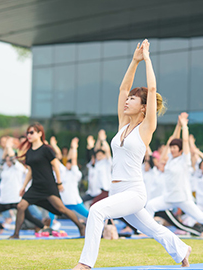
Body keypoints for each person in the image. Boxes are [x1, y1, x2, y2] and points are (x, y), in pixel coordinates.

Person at [73, 39, 191, 270]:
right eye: (128, 100)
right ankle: (181, 249)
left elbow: (153, 89)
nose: (127, 101)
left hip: (134, 191)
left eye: (133, 100)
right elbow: (122, 89)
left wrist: (147, 59)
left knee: (96, 210)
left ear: (144, 107)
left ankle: (85, 265)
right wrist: (134, 61)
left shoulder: (146, 128)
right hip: (117, 189)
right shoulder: (123, 126)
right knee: (151, 228)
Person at [145, 113, 203, 239]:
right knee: (150, 206)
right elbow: (172, 139)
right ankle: (149, 231)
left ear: (180, 150)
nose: (173, 149)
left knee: (200, 217)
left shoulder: (184, 160)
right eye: (172, 148)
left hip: (182, 197)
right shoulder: (169, 160)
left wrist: (185, 126)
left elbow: (184, 141)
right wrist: (178, 126)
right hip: (168, 196)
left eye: (175, 148)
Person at [9, 123, 85, 239]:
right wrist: (23, 187)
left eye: (32, 132)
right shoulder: (29, 152)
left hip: (48, 185)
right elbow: (30, 171)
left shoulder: (46, 149)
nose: (29, 135)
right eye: (28, 133)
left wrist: (59, 183)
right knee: (21, 206)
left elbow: (56, 165)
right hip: (35, 186)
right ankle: (16, 234)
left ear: (40, 134)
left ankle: (81, 227)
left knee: (61, 209)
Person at [0, 138, 44, 235]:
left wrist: (9, 146)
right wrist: (7, 147)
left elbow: (12, 158)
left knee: (28, 216)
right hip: (4, 199)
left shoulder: (18, 167)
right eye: (7, 159)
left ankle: (44, 227)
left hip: (15, 198)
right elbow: (3, 158)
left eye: (9, 159)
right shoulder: (5, 167)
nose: (8, 160)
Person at [59, 137, 89, 218]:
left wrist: (75, 148)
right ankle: (51, 226)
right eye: (67, 163)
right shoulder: (64, 172)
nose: (68, 164)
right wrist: (71, 147)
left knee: (88, 215)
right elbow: (68, 158)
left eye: (70, 163)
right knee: (52, 210)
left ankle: (104, 225)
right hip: (64, 202)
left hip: (74, 202)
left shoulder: (75, 173)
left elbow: (73, 159)